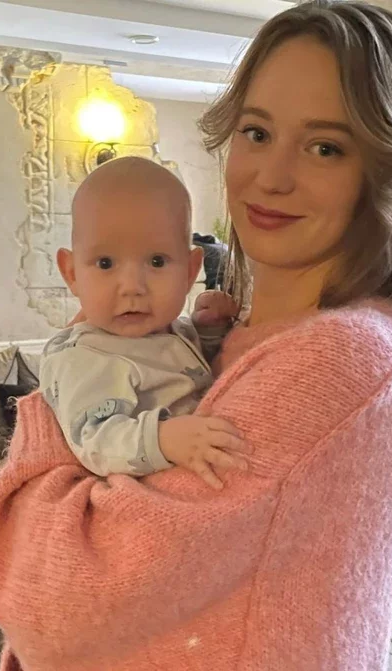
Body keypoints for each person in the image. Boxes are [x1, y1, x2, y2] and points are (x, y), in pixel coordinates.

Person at [0, 2, 392, 668]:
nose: (271, 176)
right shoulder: (238, 333)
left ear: (388, 171)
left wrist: (59, 381)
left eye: (325, 147)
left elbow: (54, 598)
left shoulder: (343, 355)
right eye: (256, 132)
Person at [41, 156, 244, 489]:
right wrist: (163, 439)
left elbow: (194, 370)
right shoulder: (84, 357)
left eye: (157, 261)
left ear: (190, 271)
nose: (133, 286)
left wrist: (209, 331)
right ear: (72, 273)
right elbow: (93, 440)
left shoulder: (173, 330)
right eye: (105, 263)